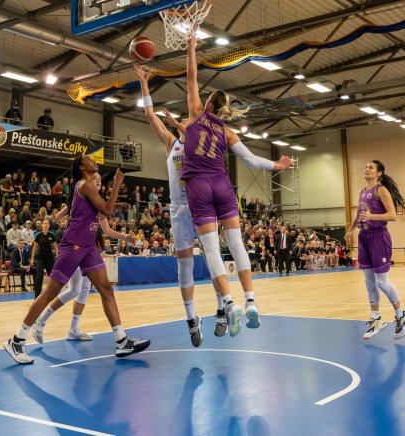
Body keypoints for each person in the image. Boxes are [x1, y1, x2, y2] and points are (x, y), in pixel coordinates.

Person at [165, 35, 294, 337]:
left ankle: (229, 303)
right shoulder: (228, 131)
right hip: (223, 185)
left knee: (212, 249)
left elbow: (191, 76)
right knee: (237, 245)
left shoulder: (197, 114)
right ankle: (251, 301)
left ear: (208, 103)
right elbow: (251, 161)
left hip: (199, 186)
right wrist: (280, 165)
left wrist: (192, 47)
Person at [4, 155, 150, 364]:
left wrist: (119, 204)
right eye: (89, 159)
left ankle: (122, 341)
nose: (94, 161)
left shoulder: (90, 188)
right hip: (72, 245)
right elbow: (107, 209)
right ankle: (16, 340)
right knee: (49, 294)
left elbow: (104, 212)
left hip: (88, 245)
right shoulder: (84, 185)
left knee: (106, 289)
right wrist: (117, 183)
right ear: (82, 167)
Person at [134, 62, 219, 343]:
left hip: (203, 204)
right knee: (185, 267)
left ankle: (221, 309)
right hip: (180, 209)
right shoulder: (172, 144)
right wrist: (144, 84)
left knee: (213, 258)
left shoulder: (203, 143)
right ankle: (191, 319)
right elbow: (149, 114)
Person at [31, 172, 136, 343]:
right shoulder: (78, 197)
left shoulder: (98, 202)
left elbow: (107, 230)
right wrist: (68, 216)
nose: (99, 181)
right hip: (74, 247)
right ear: (87, 182)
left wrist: (126, 238)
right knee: (73, 290)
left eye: (100, 180)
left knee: (83, 291)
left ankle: (73, 329)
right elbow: (57, 218)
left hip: (88, 250)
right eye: (95, 179)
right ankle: (41, 321)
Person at [345, 160, 405, 340]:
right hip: (364, 238)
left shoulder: (381, 190)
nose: (367, 169)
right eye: (366, 166)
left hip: (379, 238)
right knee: (368, 282)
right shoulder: (362, 192)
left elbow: (392, 215)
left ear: (379, 173)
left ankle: (400, 315)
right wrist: (351, 229)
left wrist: (372, 216)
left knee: (381, 282)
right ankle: (376, 319)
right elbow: (359, 214)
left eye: (371, 167)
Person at [30, 218, 57, 298]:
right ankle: (37, 296)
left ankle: (53, 294)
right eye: (44, 223)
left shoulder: (52, 235)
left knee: (52, 276)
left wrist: (57, 255)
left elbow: (56, 247)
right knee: (39, 275)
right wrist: (32, 258)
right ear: (42, 225)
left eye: (47, 223)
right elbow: (34, 247)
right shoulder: (38, 235)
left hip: (49, 257)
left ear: (49, 225)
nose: (45, 225)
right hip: (40, 257)